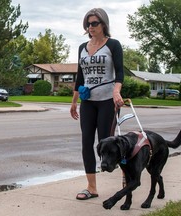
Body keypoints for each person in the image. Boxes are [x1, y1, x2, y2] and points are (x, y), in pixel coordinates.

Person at [70, 8, 124, 200]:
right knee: (86, 143)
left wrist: (116, 91)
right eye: (88, 24)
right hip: (88, 102)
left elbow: (120, 73)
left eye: (94, 23)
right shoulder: (82, 48)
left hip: (108, 101)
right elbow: (80, 77)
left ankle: (127, 178)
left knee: (108, 142)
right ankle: (91, 188)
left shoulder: (113, 45)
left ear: (103, 24)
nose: (90, 27)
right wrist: (74, 101)